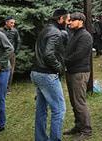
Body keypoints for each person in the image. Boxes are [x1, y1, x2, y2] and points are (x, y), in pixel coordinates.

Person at [31, 8, 69, 141]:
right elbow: (48, 54)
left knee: (41, 109)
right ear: (60, 19)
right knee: (59, 109)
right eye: (67, 19)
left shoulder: (45, 29)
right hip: (47, 74)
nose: (68, 23)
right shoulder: (55, 32)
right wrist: (59, 68)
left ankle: (40, 138)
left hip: (37, 72)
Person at [63, 12, 93, 140]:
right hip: (72, 71)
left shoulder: (85, 36)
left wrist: (64, 61)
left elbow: (79, 55)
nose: (69, 22)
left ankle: (86, 130)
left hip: (79, 72)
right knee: (73, 101)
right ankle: (78, 126)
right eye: (69, 20)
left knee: (79, 101)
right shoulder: (75, 34)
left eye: (72, 20)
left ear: (80, 21)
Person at [0, 16, 21, 92]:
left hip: (11, 54)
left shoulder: (15, 31)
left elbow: (18, 41)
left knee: (11, 71)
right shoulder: (0, 31)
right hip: (1, 54)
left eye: (14, 23)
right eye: (11, 23)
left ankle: (8, 89)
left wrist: (15, 52)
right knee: (0, 69)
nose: (13, 24)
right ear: (6, 22)